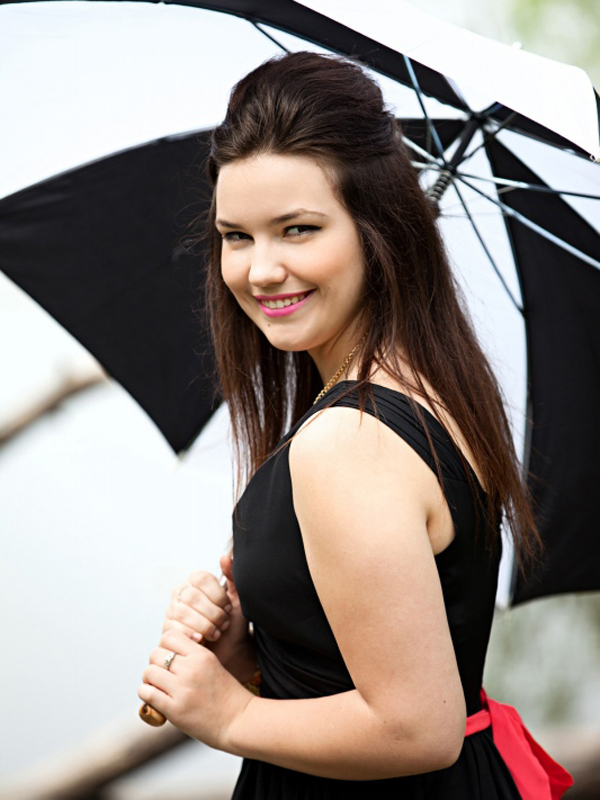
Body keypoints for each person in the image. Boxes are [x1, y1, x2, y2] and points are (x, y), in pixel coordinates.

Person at [138, 51, 573, 799]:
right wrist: (248, 652)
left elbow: (417, 727)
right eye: (236, 236)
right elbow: (352, 671)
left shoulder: (350, 441)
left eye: (298, 229)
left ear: (381, 232)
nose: (260, 269)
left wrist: (230, 715)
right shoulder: (430, 390)